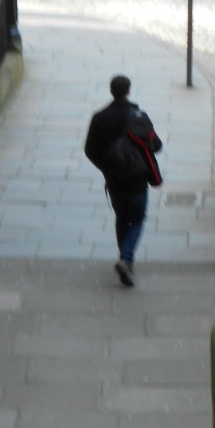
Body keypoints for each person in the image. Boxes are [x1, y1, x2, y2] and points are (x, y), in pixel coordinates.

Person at [84, 74, 162, 287]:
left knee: (122, 217)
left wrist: (106, 168)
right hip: (137, 179)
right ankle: (126, 259)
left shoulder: (99, 118)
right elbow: (156, 145)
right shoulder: (137, 116)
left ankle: (124, 258)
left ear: (112, 91)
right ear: (128, 91)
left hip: (115, 181)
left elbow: (89, 150)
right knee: (136, 219)